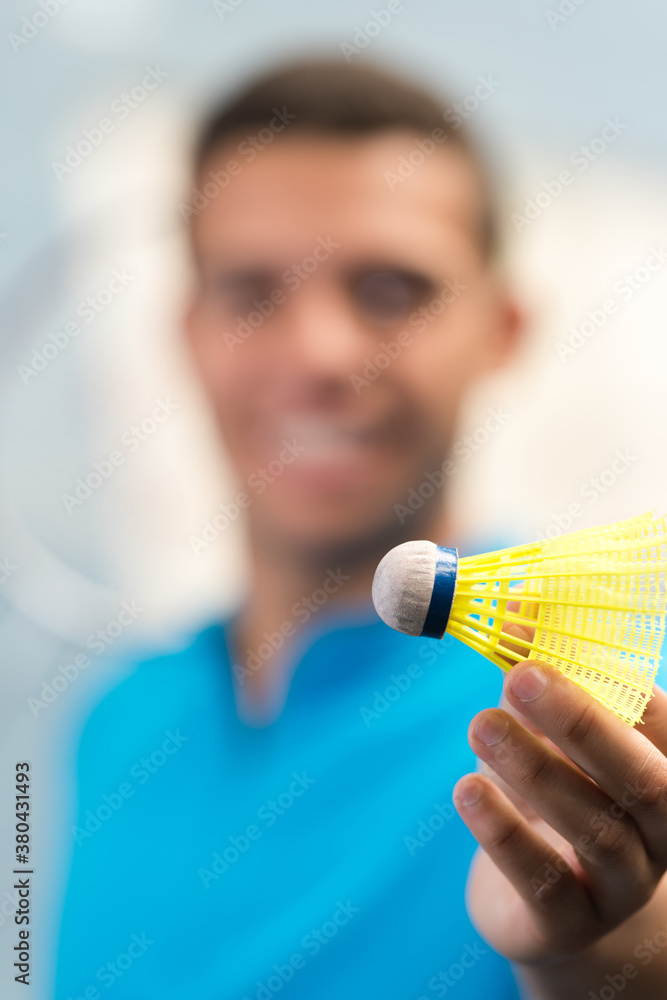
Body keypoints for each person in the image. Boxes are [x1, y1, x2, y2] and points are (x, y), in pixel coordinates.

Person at [56, 59, 667, 999]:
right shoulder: (112, 726)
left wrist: (599, 967)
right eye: (252, 290)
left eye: (390, 288)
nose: (318, 352)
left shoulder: (628, 707)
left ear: (500, 330)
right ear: (188, 331)